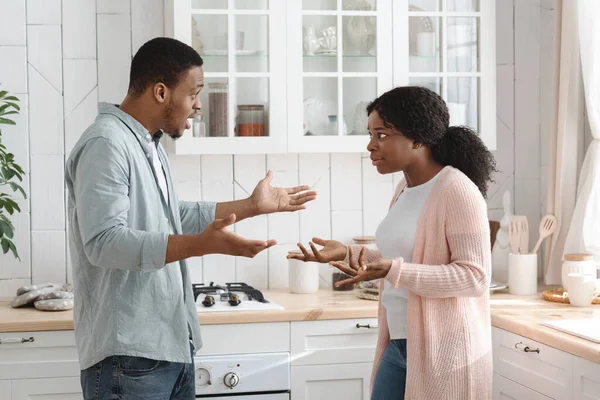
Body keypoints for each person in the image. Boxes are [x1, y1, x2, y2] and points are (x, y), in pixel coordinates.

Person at [65, 37, 316, 400]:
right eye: (194, 93)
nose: (198, 105)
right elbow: (103, 243)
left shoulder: (147, 143)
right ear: (161, 92)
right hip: (128, 357)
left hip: (170, 346)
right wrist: (199, 246)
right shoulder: (107, 143)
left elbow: (173, 216)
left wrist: (250, 206)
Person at [289, 86, 496, 400]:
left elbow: (474, 277)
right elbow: (404, 258)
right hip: (400, 346)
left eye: (381, 135)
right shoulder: (404, 188)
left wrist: (393, 270)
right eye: (370, 135)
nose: (371, 146)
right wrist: (349, 252)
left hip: (446, 354)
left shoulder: (457, 190)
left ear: (417, 137)